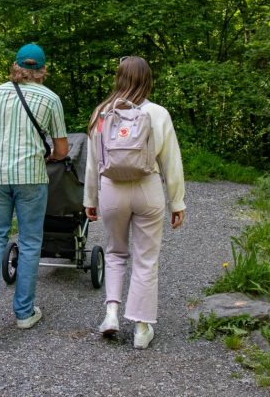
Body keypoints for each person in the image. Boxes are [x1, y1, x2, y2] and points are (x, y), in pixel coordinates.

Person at [83, 56, 185, 349]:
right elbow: (171, 162)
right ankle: (141, 328)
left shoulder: (101, 113)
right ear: (147, 80)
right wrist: (178, 202)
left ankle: (111, 315)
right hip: (147, 188)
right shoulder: (158, 113)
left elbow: (93, 163)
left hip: (112, 190)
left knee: (115, 252)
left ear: (119, 78)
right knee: (146, 258)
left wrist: (90, 198)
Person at [0, 43, 69, 336]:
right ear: (42, 70)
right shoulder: (51, 99)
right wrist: (51, 154)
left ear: (15, 66)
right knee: (29, 242)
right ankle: (24, 313)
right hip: (30, 177)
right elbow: (62, 150)